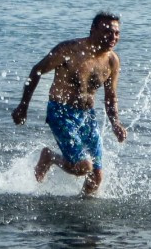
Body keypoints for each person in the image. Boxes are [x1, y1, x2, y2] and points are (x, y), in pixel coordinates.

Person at [12, 12, 127, 196]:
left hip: (87, 115)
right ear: (93, 30)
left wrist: (116, 123)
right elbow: (37, 71)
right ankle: (50, 157)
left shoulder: (112, 61)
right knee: (82, 167)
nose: (112, 37)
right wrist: (23, 106)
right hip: (60, 112)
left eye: (116, 33)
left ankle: (80, 215)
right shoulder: (69, 50)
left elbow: (110, 97)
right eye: (107, 31)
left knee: (96, 177)